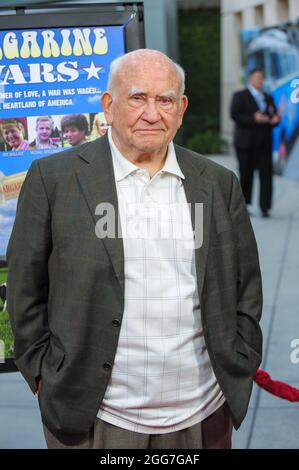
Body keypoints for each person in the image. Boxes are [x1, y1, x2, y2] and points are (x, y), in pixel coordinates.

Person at [7, 49, 263, 449]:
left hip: (203, 413)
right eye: (138, 98)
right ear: (109, 106)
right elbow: (25, 290)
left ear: (181, 109)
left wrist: (242, 359)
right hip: (95, 416)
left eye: (165, 100)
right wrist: (43, 373)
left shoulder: (216, 182)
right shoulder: (54, 179)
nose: (152, 113)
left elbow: (245, 284)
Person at [230, 68, 280, 218]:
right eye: (258, 77)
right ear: (250, 79)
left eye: (262, 78)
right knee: (246, 174)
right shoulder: (240, 96)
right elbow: (234, 115)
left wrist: (275, 120)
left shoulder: (268, 97)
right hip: (246, 144)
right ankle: (245, 205)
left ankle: (265, 207)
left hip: (264, 144)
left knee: (266, 175)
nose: (261, 80)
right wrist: (253, 118)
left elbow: (274, 115)